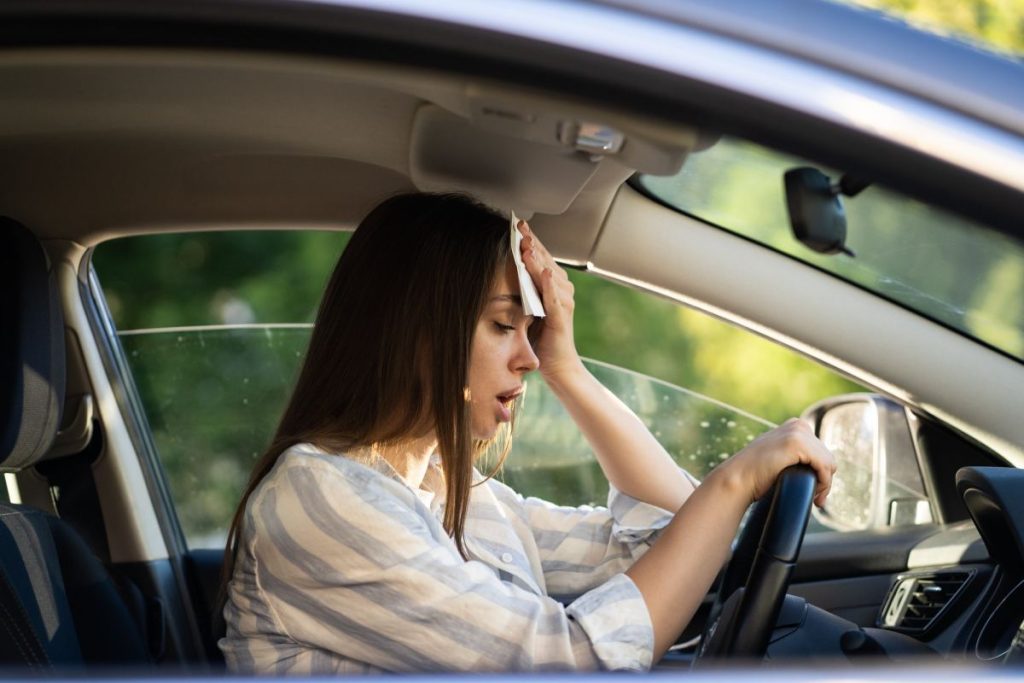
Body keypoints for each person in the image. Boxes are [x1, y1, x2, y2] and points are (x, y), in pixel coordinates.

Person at [218, 192, 836, 673]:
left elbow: (673, 537)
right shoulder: (319, 497)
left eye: (532, 331)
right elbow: (567, 664)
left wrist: (570, 370)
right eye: (502, 325)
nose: (530, 358)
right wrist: (735, 481)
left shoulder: (451, 491)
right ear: (421, 336)